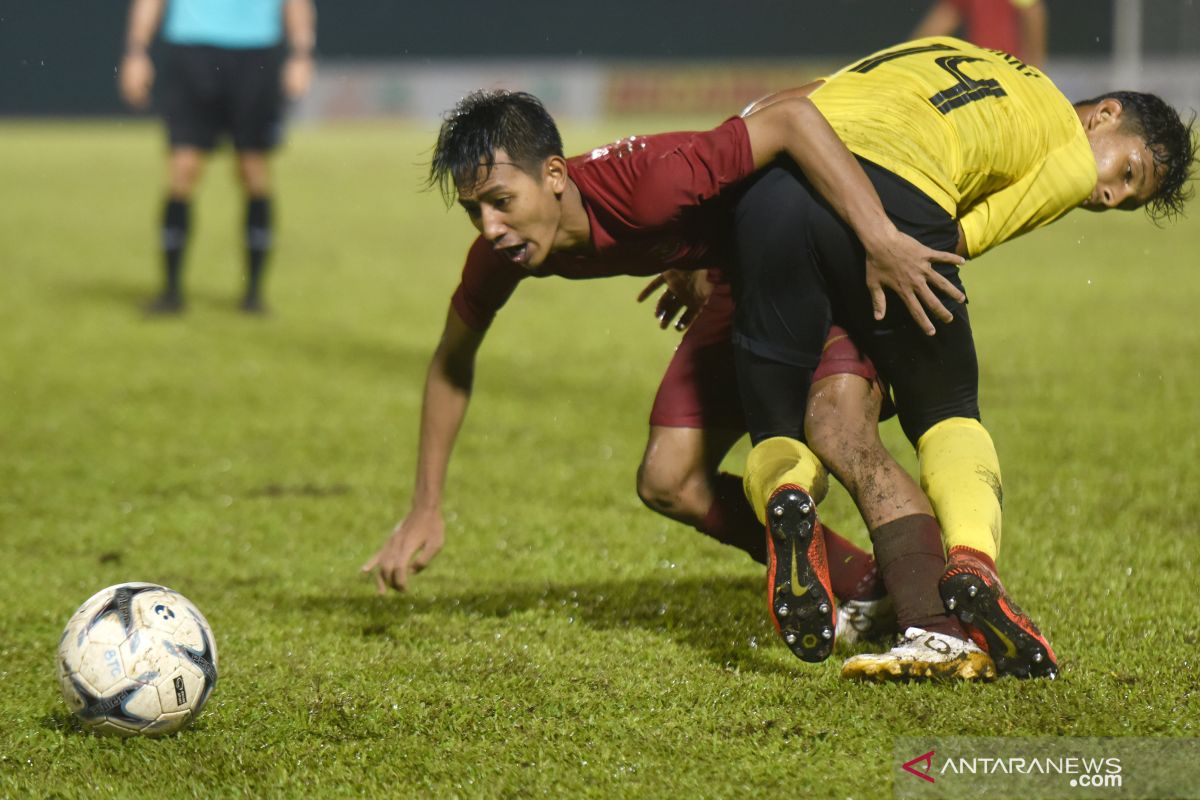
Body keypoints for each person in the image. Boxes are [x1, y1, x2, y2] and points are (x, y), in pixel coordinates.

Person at [361, 89, 996, 680]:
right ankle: (866, 584)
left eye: (501, 201)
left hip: (812, 262)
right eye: (474, 210)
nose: (490, 227)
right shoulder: (504, 253)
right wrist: (425, 505)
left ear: (554, 177)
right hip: (736, 279)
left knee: (838, 431)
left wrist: (880, 239)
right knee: (669, 480)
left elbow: (793, 117)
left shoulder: (651, 181)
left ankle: (941, 614)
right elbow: (451, 359)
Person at [729, 36, 1196, 679]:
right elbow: (951, 242)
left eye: (1127, 197)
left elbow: (793, 102)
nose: (1110, 194)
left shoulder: (951, 49)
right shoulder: (1065, 154)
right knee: (948, 407)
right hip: (896, 199)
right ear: (1105, 113)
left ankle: (786, 494)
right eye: (1127, 172)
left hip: (775, 189)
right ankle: (973, 563)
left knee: (778, 422)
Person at [118, 0, 317, 314]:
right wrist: (136, 52)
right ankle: (171, 292)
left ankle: (253, 294)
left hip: (255, 54)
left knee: (253, 170)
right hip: (191, 52)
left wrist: (302, 53)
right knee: (183, 168)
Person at [912, 0, 1048, 69]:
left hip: (1008, 68)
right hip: (977, 70)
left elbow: (1033, 14)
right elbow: (939, 23)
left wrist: (1035, 66)